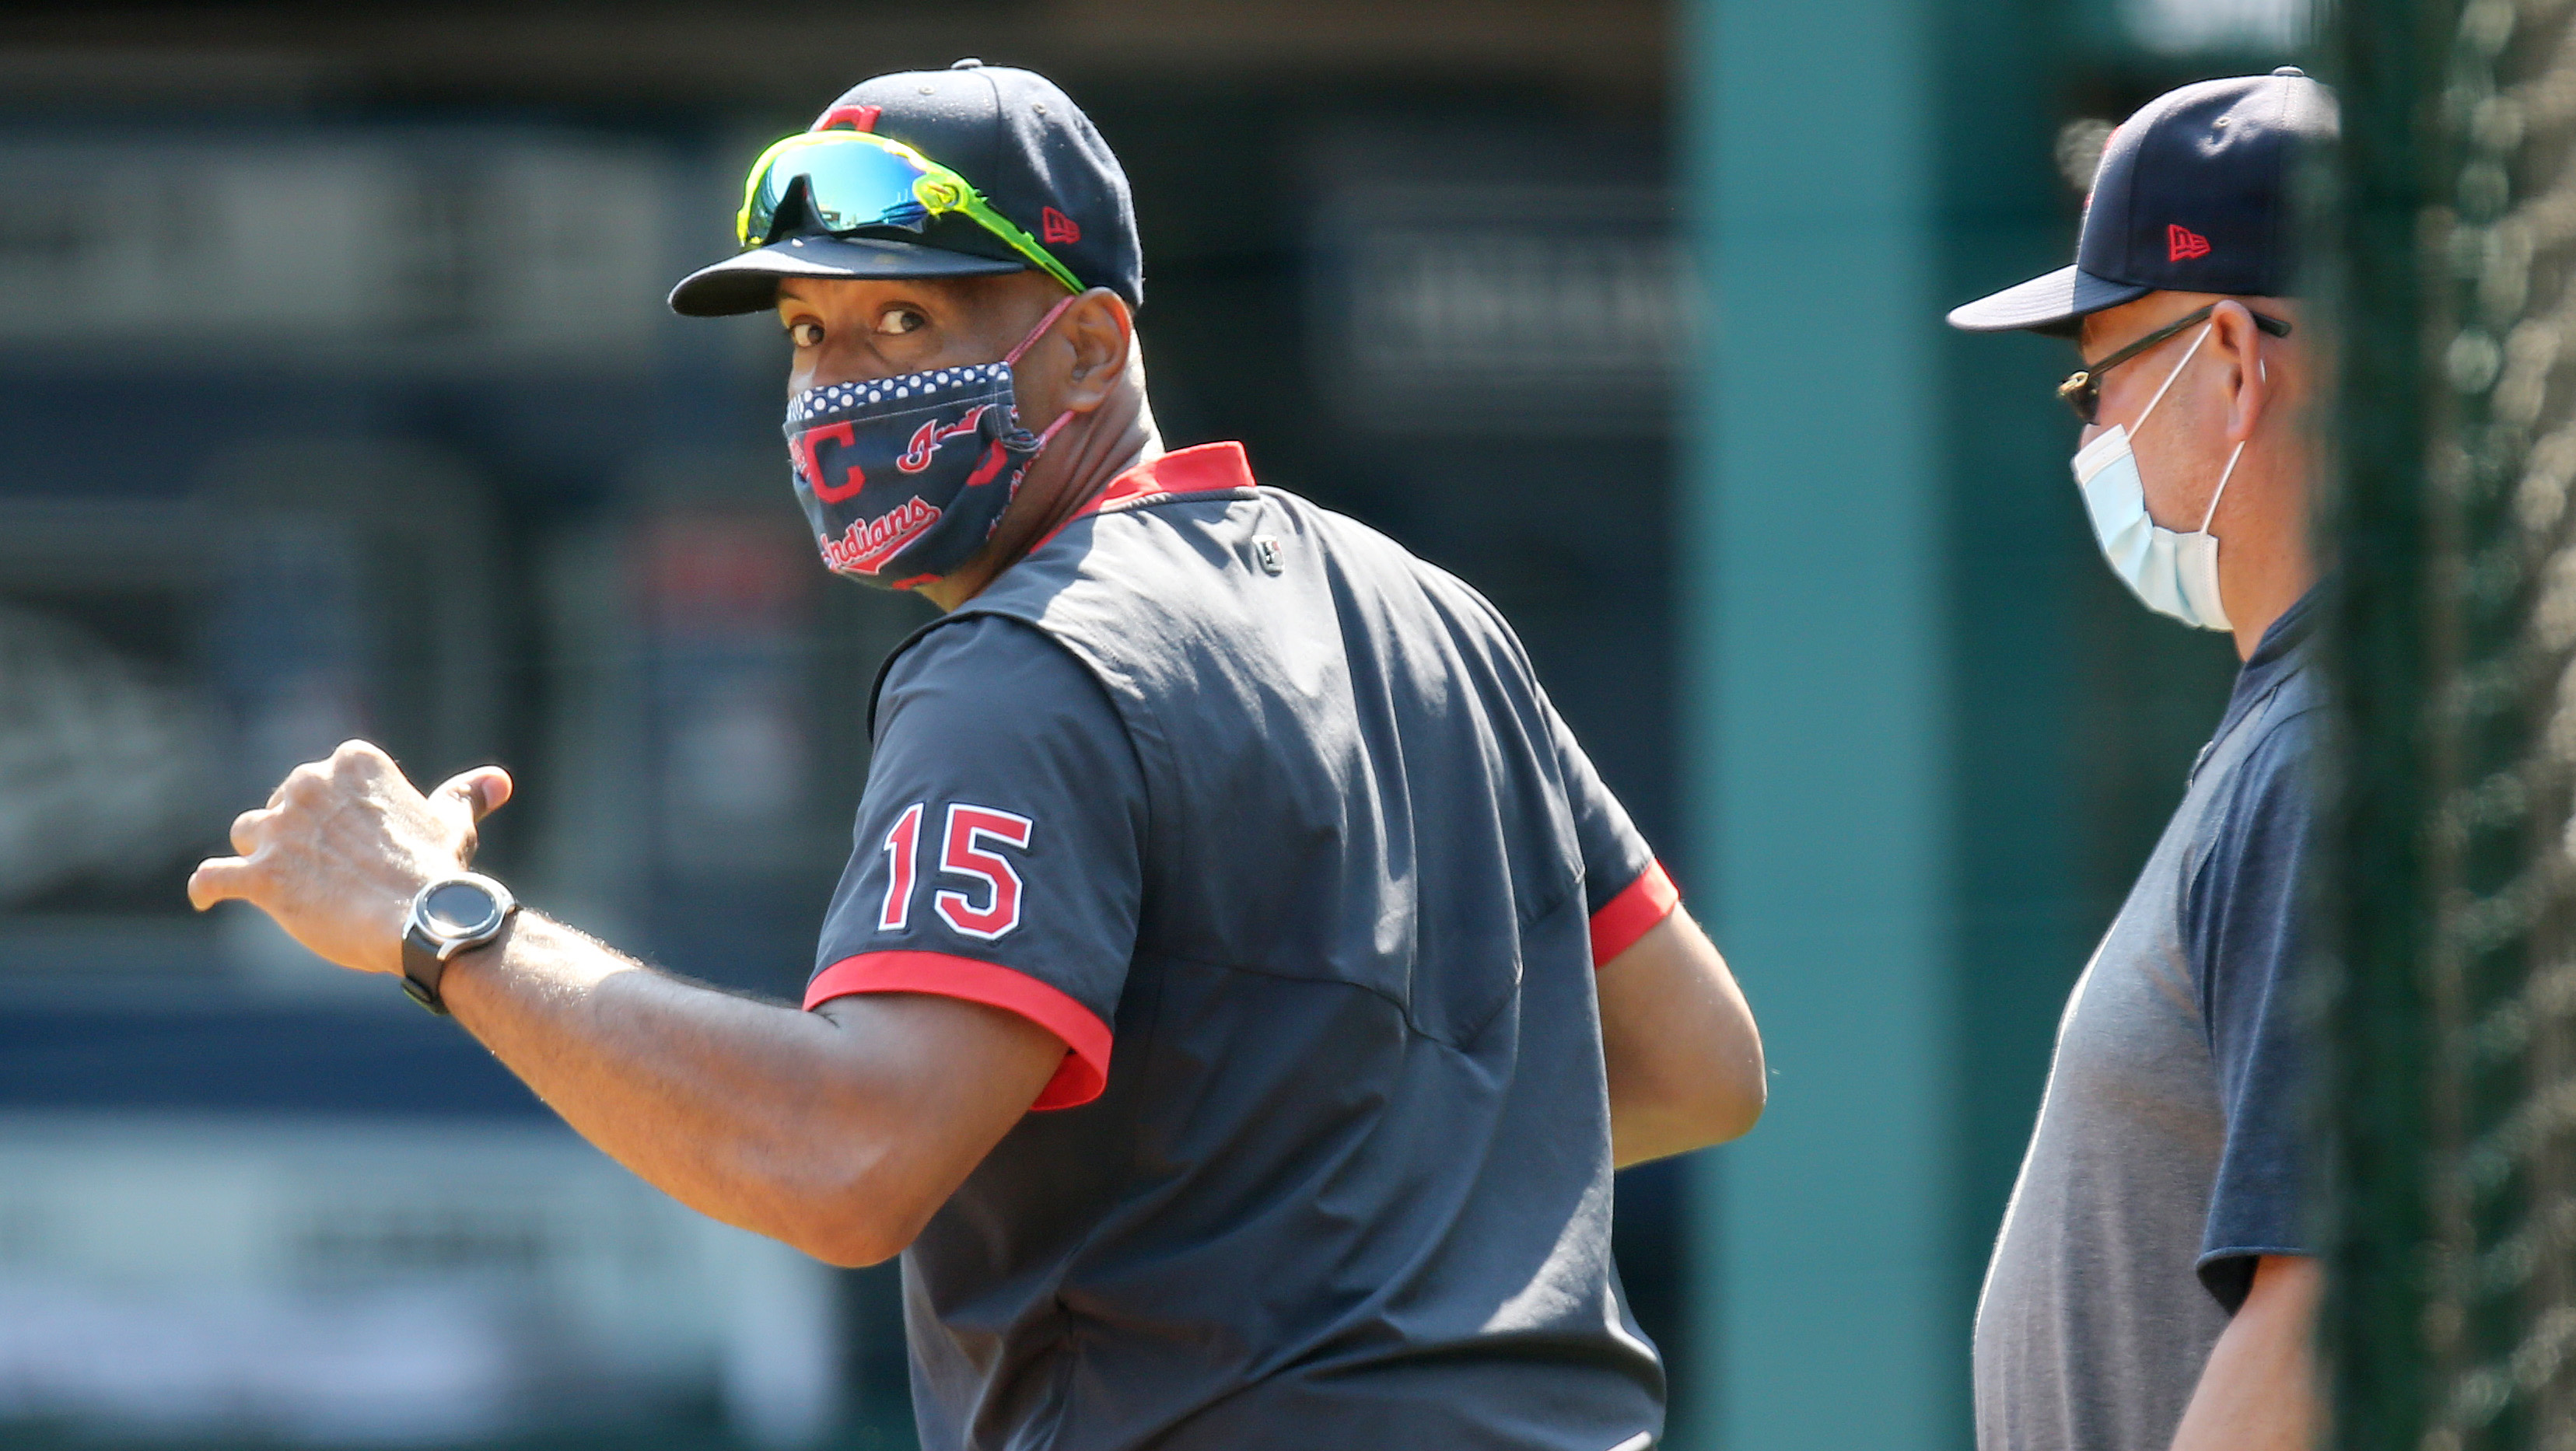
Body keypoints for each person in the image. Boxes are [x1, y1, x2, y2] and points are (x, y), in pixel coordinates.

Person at [188, 60, 1764, 1451]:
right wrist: (1322, 1191)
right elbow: (1696, 1066)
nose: (840, 386)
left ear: (1088, 351)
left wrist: (444, 926)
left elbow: (844, 1160)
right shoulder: (1427, 611)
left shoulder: (1024, 662)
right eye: (810, 332)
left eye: (904, 321)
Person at [1946, 68, 2336, 1451]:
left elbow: (2323, 1322)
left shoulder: (2323, 754)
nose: (2093, 433)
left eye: (2095, 379)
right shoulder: (2304, 723)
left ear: (2232, 362)